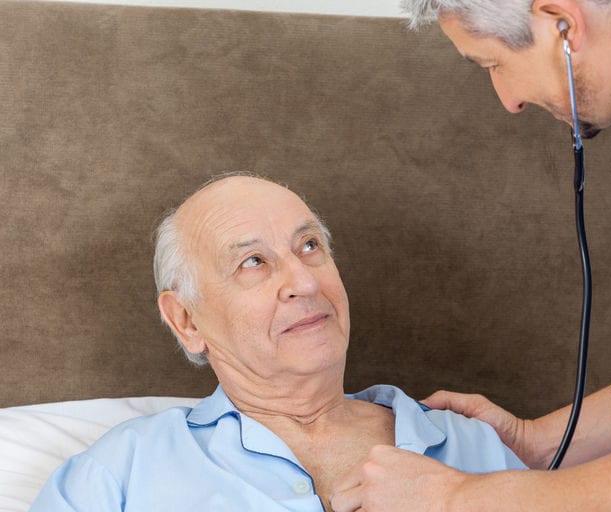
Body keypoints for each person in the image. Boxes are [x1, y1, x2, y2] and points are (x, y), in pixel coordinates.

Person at [330, 0, 611, 511]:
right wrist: (535, 442)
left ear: (563, 23)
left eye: (493, 65)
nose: (508, 100)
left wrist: (454, 498)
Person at [30, 175, 526, 510]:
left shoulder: (470, 444)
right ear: (186, 321)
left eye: (310, 247)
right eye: (253, 262)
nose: (304, 283)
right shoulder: (125, 469)